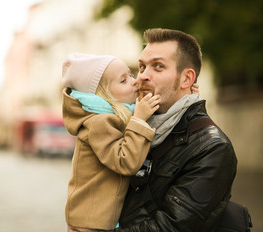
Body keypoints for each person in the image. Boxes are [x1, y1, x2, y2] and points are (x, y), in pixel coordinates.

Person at [114, 28, 238, 231]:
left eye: (158, 66)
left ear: (186, 79)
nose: (143, 76)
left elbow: (170, 226)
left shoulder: (212, 148)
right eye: (142, 67)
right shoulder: (138, 125)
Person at [61, 52, 161, 231]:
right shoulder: (99, 123)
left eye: (130, 74)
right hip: (89, 223)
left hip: (97, 220)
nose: (135, 81)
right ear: (104, 95)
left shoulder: (117, 116)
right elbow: (126, 162)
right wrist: (139, 119)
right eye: (123, 80)